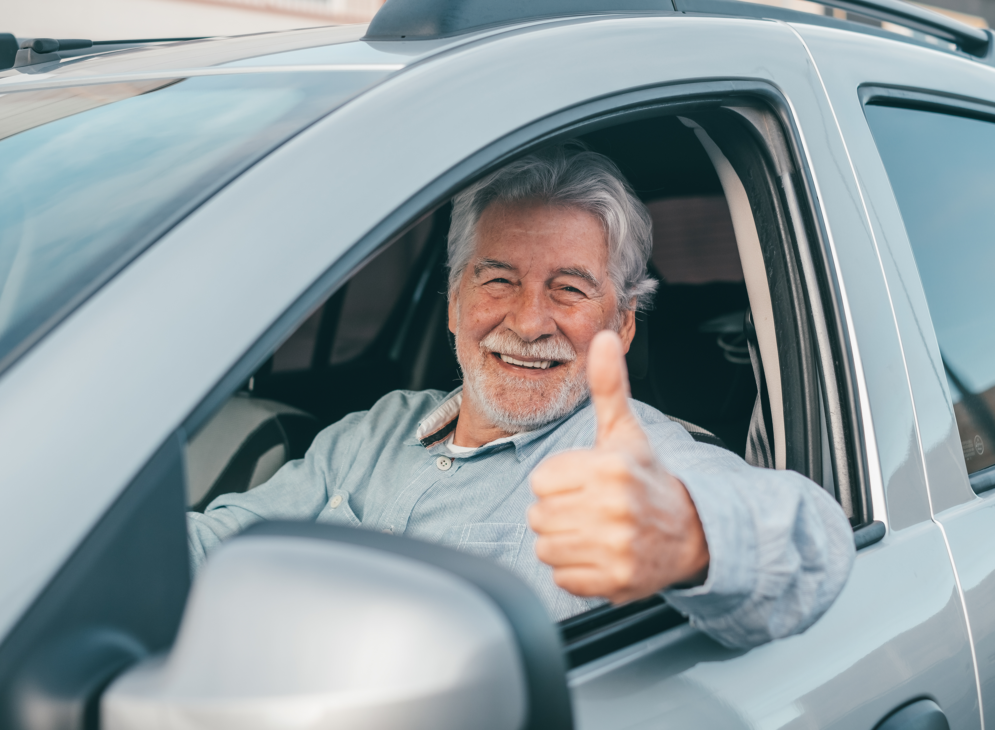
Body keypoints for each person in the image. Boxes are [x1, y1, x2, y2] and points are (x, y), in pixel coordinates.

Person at [188, 143, 855, 649]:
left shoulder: (628, 460)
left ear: (621, 324)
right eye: (499, 280)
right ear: (454, 304)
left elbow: (816, 545)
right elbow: (214, 546)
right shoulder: (376, 430)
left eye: (568, 288)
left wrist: (689, 534)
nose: (529, 321)